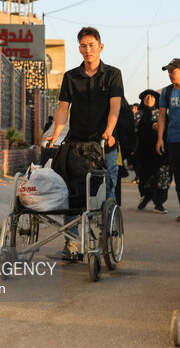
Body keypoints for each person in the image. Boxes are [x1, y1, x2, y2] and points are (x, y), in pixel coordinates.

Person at [44, 27, 123, 257]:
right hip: (77, 145)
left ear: (100, 47)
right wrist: (56, 133)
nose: (88, 49)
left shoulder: (112, 75)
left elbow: (114, 107)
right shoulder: (71, 77)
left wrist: (109, 131)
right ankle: (72, 244)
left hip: (103, 144)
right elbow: (63, 109)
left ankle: (107, 235)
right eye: (83, 45)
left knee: (107, 190)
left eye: (91, 45)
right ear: (79, 48)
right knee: (73, 191)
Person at [156, 58, 180, 222]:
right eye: (169, 72)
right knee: (179, 177)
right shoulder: (166, 92)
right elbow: (162, 115)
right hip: (173, 140)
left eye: (173, 71)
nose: (171, 74)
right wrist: (160, 139)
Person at [136, 89, 171, 214]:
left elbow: (170, 128)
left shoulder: (162, 114)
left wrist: (161, 128)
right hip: (144, 153)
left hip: (161, 152)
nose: (149, 98)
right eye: (146, 96)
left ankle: (159, 203)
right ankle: (147, 196)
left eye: (151, 96)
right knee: (145, 177)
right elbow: (132, 132)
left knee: (162, 176)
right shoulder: (138, 114)